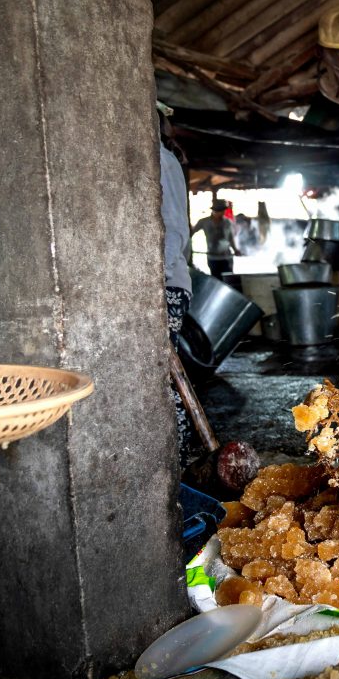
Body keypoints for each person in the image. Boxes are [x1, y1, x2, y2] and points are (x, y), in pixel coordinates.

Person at [158, 104, 193, 466]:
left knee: (164, 377)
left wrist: (158, 277)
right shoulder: (159, 156)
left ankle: (177, 462)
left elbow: (173, 229)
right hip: (166, 281)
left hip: (166, 284)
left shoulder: (160, 159)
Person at [192, 199, 240, 276]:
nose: (222, 213)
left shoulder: (227, 222)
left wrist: (235, 250)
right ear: (214, 211)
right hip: (213, 258)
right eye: (220, 211)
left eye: (223, 210)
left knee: (228, 279)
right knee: (216, 278)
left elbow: (230, 238)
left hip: (226, 258)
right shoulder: (204, 222)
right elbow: (191, 233)